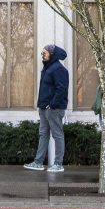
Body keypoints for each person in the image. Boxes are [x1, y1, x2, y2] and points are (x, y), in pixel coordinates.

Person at [24, 45, 69, 173]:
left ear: (52, 54)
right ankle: (38, 162)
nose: (42, 54)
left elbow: (62, 89)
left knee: (57, 135)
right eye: (42, 52)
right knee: (43, 134)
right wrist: (42, 105)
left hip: (53, 109)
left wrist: (52, 104)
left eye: (45, 52)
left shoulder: (58, 69)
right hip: (44, 107)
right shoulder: (47, 68)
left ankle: (58, 164)